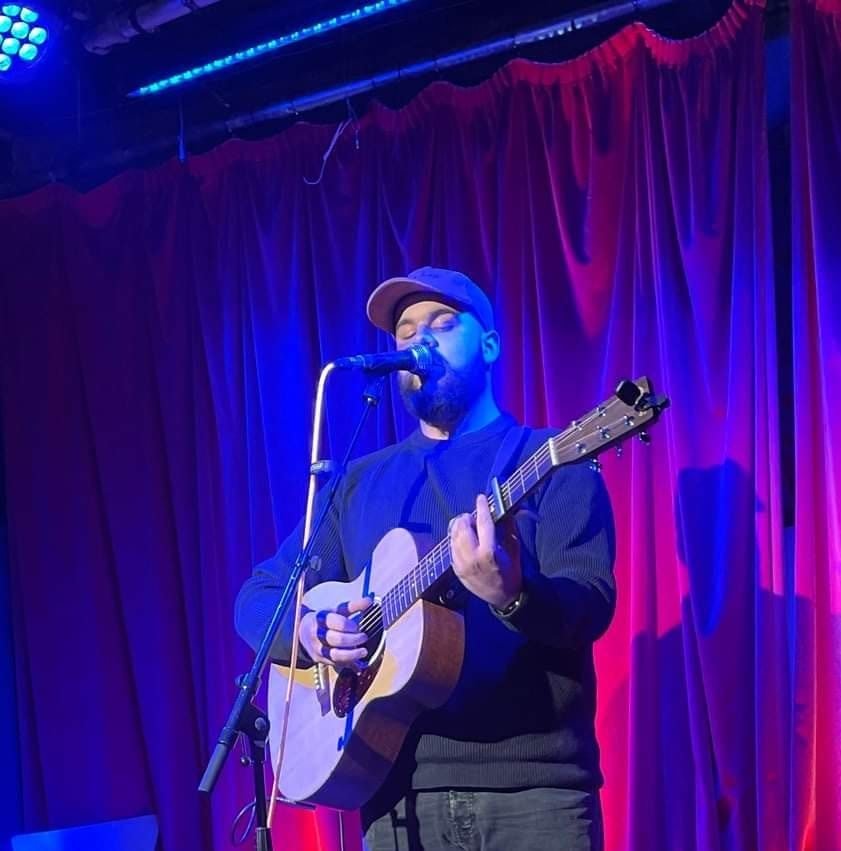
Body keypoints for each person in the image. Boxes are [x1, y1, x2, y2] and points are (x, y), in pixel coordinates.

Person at [235, 266, 616, 851]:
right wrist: (310, 631)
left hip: (536, 797)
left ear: (489, 345)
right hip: (396, 801)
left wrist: (513, 595)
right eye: (407, 332)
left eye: (442, 323)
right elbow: (258, 599)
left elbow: (589, 605)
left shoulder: (551, 461)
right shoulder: (357, 483)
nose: (421, 341)